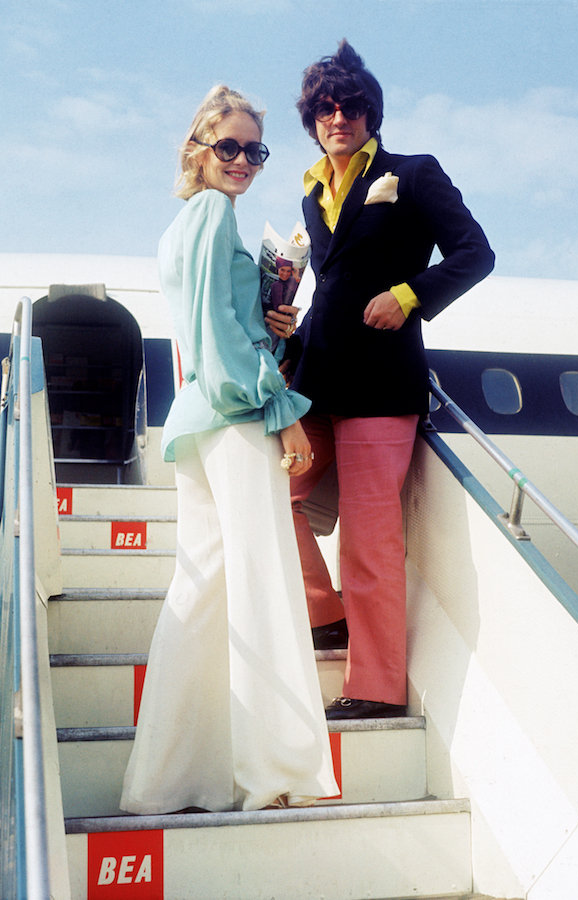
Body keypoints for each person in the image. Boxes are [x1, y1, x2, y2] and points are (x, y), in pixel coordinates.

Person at [120, 85, 338, 813]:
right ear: (199, 149)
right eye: (229, 147)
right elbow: (215, 338)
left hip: (199, 421)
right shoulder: (214, 214)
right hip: (237, 416)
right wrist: (283, 412)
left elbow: (216, 324)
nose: (244, 160)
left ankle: (169, 778)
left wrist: (272, 321)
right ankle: (274, 774)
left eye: (255, 150)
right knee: (262, 586)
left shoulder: (181, 225)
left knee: (204, 589)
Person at [267, 41, 495, 720]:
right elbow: (330, 282)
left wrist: (410, 293)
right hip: (311, 376)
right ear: (312, 119)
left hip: (380, 384)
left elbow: (475, 253)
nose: (340, 116)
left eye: (352, 106)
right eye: (326, 108)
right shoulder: (311, 190)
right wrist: (287, 327)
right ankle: (324, 613)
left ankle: (374, 684)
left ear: (371, 114)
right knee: (268, 496)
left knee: (370, 539)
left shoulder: (414, 173)